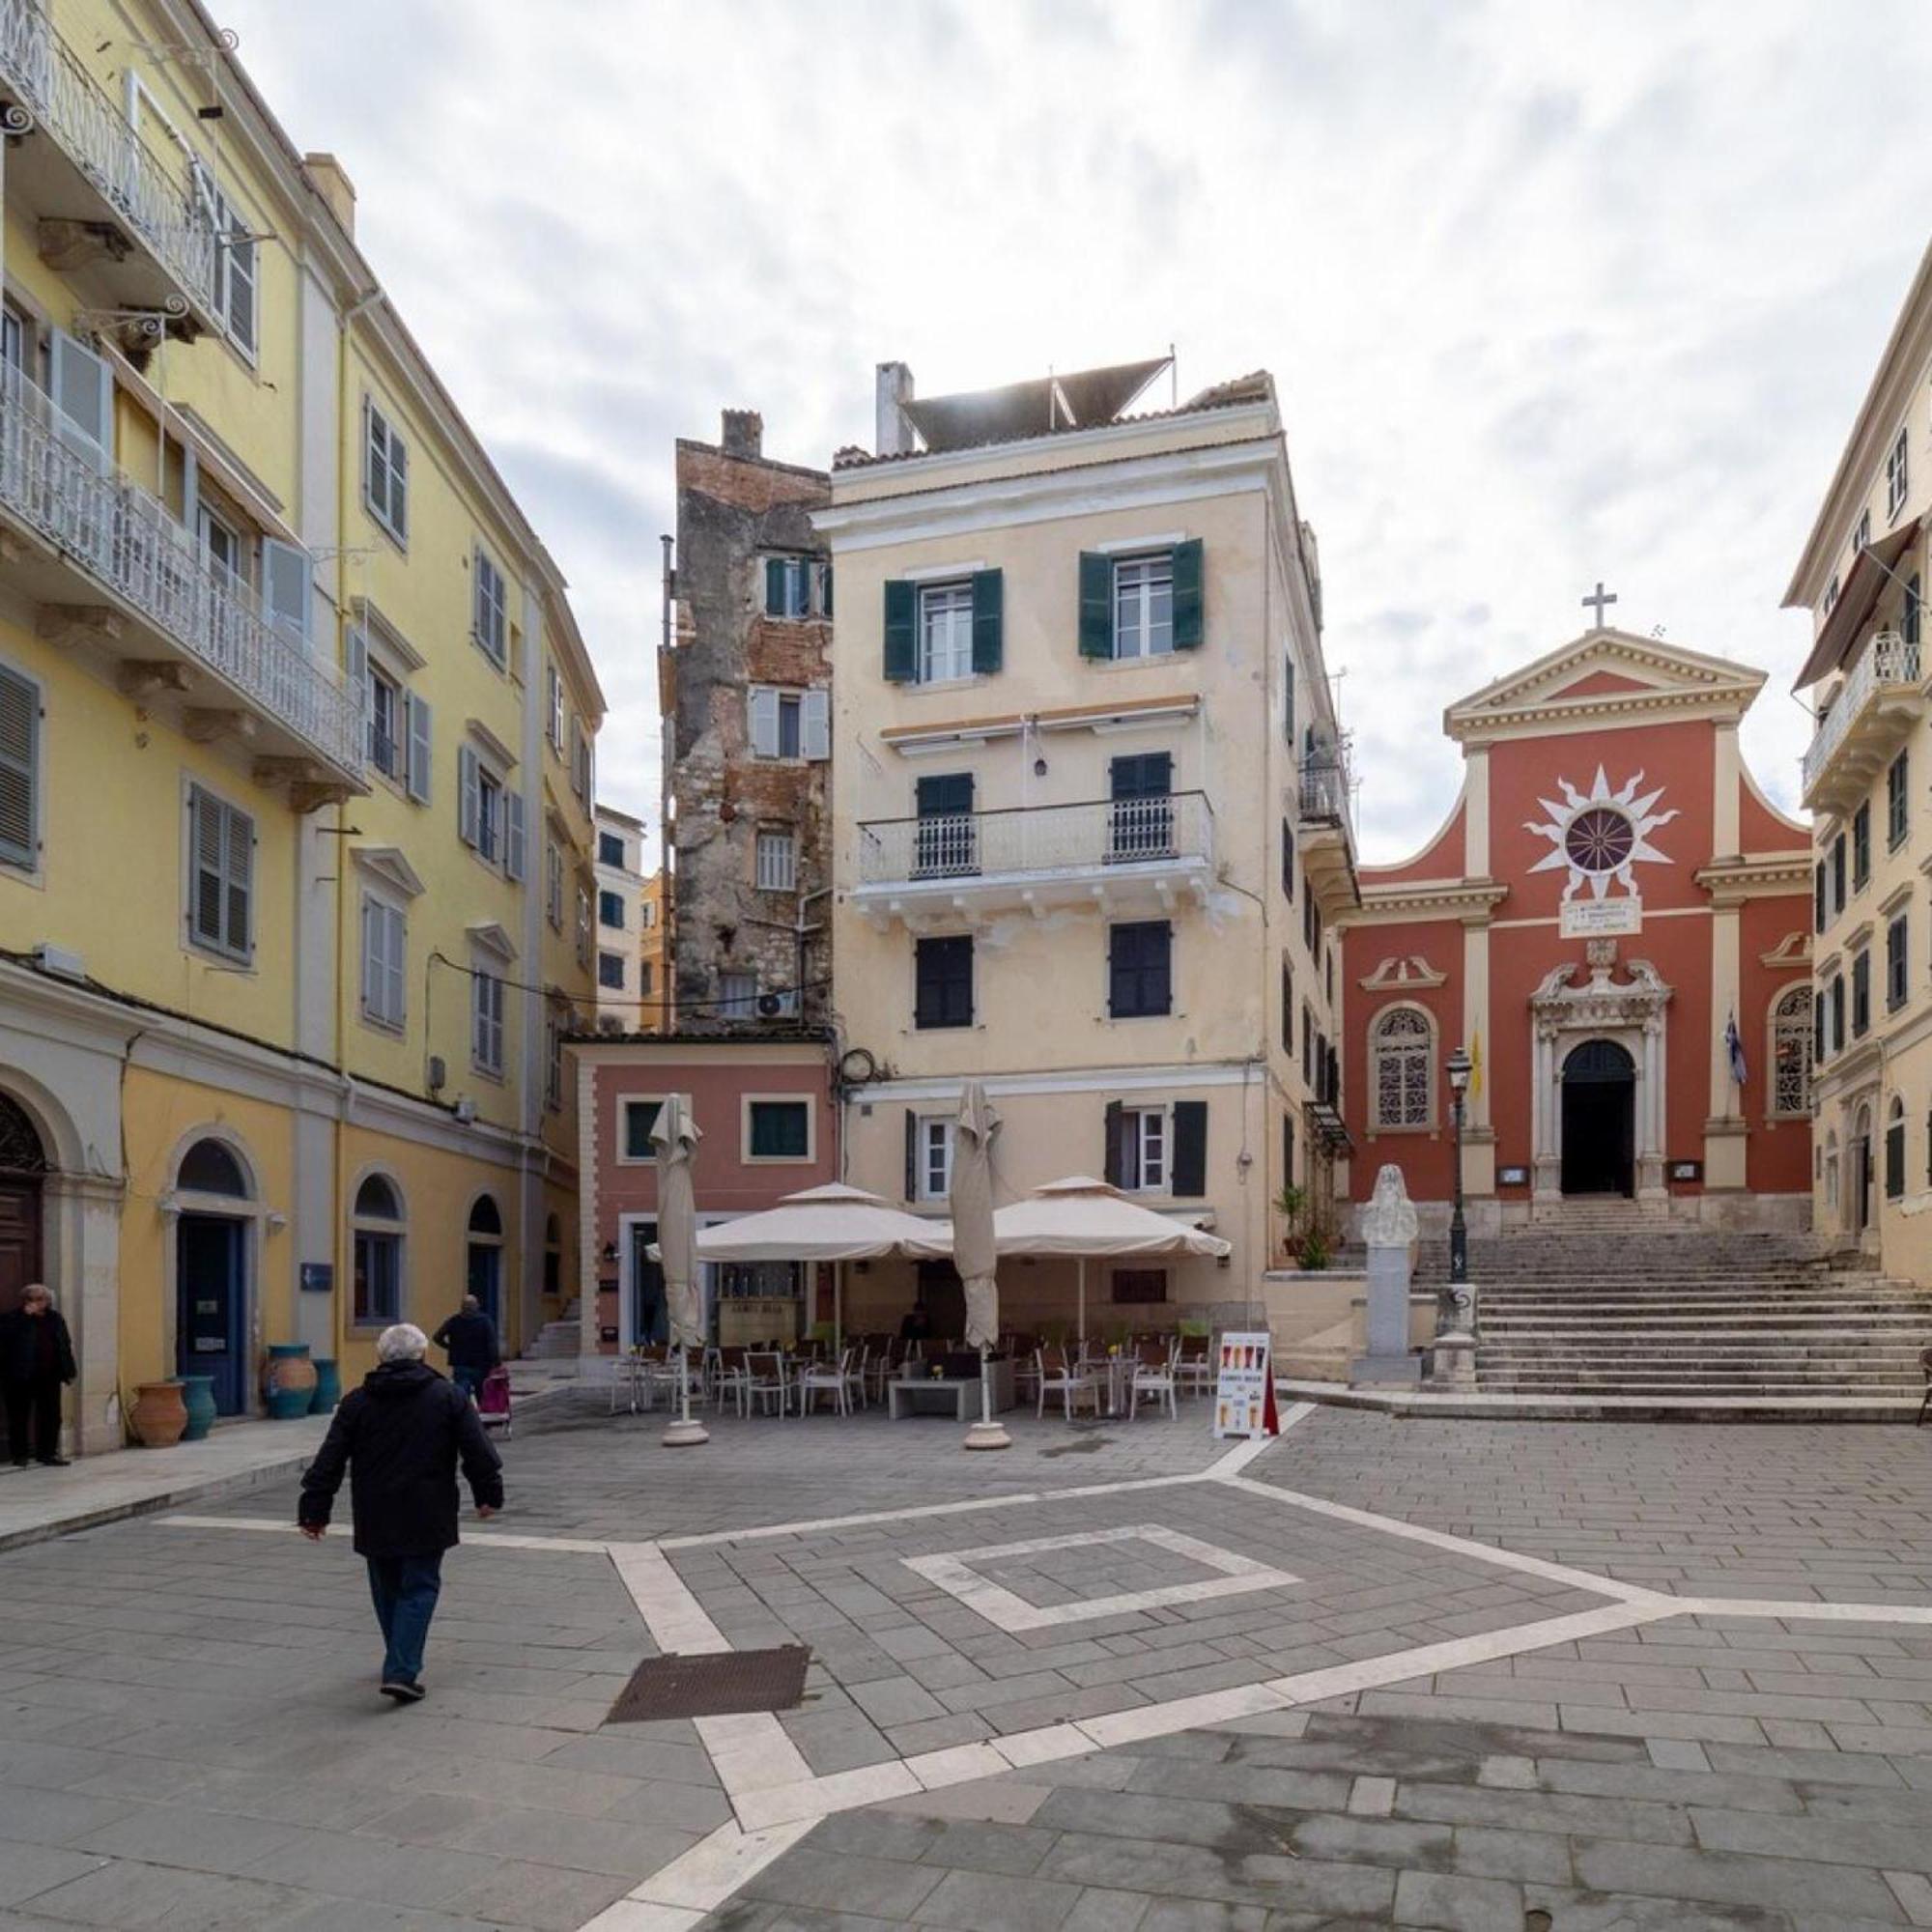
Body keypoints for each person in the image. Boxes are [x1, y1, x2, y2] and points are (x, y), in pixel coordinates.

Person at [298, 1321, 502, 1703]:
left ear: (380, 1357)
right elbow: (478, 1451)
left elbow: (330, 1458)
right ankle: (402, 1669)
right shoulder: (448, 1397)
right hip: (429, 1508)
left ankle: (399, 1658)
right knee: (420, 1586)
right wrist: (488, 1494)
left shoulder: (357, 1401)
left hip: (375, 1510)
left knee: (387, 1586)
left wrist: (314, 1509)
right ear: (423, 1355)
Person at [0, 1284, 76, 1468]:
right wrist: (25, 1317)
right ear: (25, 1301)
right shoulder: (13, 1318)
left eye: (40, 1299)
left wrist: (69, 1370)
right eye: (31, 1299)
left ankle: (47, 1453)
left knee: (51, 1416)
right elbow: (5, 1338)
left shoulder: (55, 1318)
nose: (35, 1303)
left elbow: (64, 1344)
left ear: (48, 1301)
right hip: (20, 1375)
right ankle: (20, 1455)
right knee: (19, 1416)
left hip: (49, 1375)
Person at [432, 1295, 501, 1403]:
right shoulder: (485, 1321)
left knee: (462, 1395)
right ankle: (481, 1417)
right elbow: (492, 1344)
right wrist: (496, 1362)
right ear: (477, 1306)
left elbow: (437, 1337)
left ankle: (465, 1415)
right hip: (481, 1364)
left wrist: (450, 1347)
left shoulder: (454, 1321)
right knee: (482, 1395)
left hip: (460, 1364)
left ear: (462, 1307)